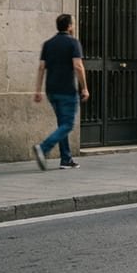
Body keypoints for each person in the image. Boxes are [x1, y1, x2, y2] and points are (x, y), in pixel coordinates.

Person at [32, 13, 88, 170]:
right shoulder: (73, 43)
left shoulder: (48, 44)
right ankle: (43, 148)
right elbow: (78, 66)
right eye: (73, 24)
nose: (74, 26)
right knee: (68, 125)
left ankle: (66, 159)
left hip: (51, 90)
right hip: (67, 90)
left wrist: (38, 90)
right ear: (69, 26)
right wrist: (84, 87)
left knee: (62, 124)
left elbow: (42, 67)